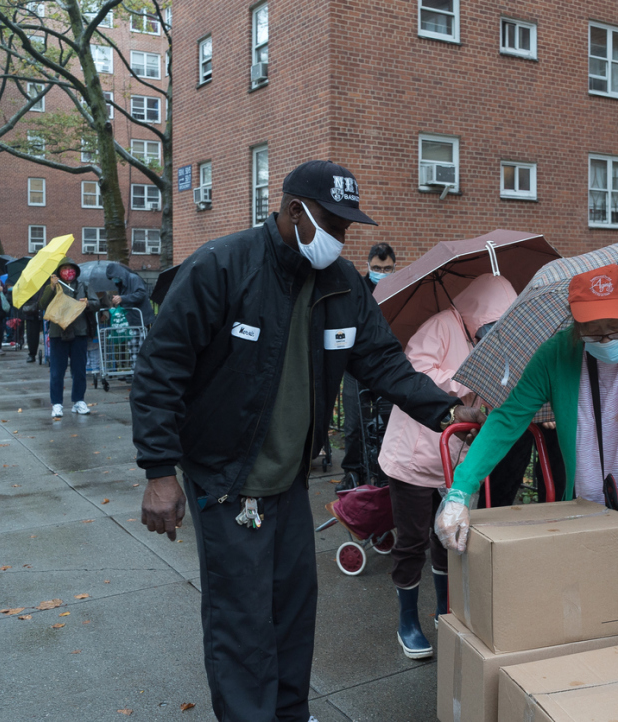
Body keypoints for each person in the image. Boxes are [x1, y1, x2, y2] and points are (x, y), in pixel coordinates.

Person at [129, 160, 483, 722]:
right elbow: (160, 369)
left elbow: (384, 364)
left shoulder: (342, 285)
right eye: (333, 225)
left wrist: (448, 410)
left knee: (293, 609)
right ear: (294, 211)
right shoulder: (223, 267)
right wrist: (158, 471)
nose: (341, 240)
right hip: (225, 476)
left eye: (347, 229)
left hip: (288, 477)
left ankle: (290, 713)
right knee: (241, 617)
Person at [434, 264, 618, 678]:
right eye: (593, 330)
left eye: (616, 327)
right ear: (573, 323)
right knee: (597, 630)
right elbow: (508, 418)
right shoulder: (556, 353)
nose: (605, 338)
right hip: (594, 510)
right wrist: (460, 491)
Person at [377, 273, 518, 659]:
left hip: (454, 460)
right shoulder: (441, 325)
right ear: (476, 314)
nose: (493, 332)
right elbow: (414, 371)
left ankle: (445, 611)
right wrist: (464, 381)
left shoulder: (485, 339)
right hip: (413, 455)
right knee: (411, 542)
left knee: (450, 539)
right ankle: (408, 621)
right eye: (490, 324)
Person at [340, 242, 396, 488]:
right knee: (354, 425)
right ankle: (354, 473)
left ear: (394, 267)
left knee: (388, 423)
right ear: (368, 265)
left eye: (386, 268)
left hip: (386, 366)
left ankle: (385, 475)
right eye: (376, 267)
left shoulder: (400, 290)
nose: (381, 272)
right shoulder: (357, 288)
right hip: (357, 366)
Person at [39, 258, 98, 418]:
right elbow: (43, 304)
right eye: (64, 269)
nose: (68, 272)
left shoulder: (83, 286)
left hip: (79, 332)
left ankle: (79, 400)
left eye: (70, 269)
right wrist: (51, 287)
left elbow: (96, 302)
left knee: (79, 370)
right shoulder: (53, 287)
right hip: (59, 333)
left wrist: (87, 303)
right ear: (59, 272)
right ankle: (56, 404)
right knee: (57, 371)